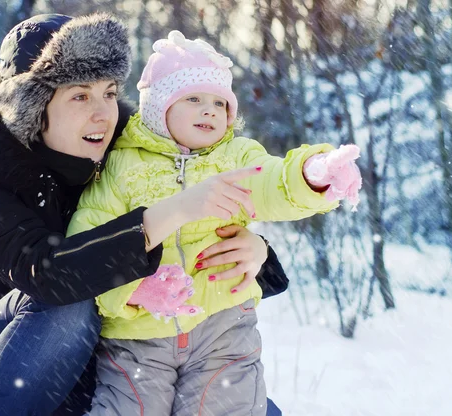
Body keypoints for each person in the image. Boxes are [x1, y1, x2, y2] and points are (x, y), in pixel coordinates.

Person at [0, 14, 288, 416]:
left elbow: (199, 237)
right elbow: (49, 275)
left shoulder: (132, 154)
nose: (103, 114)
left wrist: (256, 252)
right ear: (32, 107)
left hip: (88, 370)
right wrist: (171, 212)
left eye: (109, 93)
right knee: (70, 302)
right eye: (80, 96)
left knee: (253, 407)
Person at [67, 30, 362, 415]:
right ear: (158, 107)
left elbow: (273, 181)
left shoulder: (236, 157)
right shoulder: (121, 166)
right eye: (193, 99)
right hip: (137, 338)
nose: (209, 110)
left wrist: (314, 173)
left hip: (222, 330)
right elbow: (89, 241)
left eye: (219, 103)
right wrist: (132, 292)